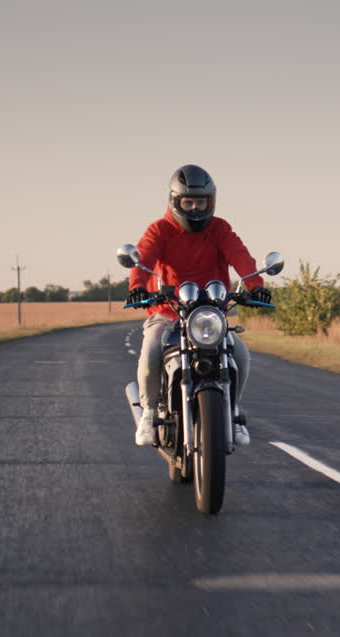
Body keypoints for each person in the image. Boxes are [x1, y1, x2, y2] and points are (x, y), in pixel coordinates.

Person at [128, 164, 271, 447]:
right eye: (188, 202)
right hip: (167, 313)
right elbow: (143, 259)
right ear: (175, 201)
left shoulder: (219, 228)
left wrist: (256, 287)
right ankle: (148, 414)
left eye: (201, 202)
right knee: (150, 352)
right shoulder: (159, 229)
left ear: (211, 201)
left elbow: (240, 256)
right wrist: (137, 288)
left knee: (240, 356)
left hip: (210, 313)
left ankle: (232, 412)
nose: (194, 208)